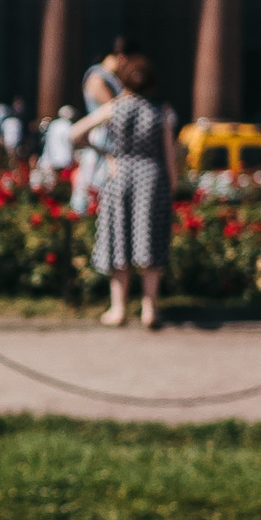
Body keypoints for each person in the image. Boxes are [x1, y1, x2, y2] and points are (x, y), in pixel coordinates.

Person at [75, 43, 180, 327]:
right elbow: (170, 156)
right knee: (150, 242)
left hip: (119, 174)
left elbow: (76, 134)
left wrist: (105, 155)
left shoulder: (114, 108)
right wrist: (172, 186)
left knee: (118, 240)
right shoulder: (161, 113)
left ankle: (118, 308)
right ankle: (149, 310)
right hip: (152, 177)